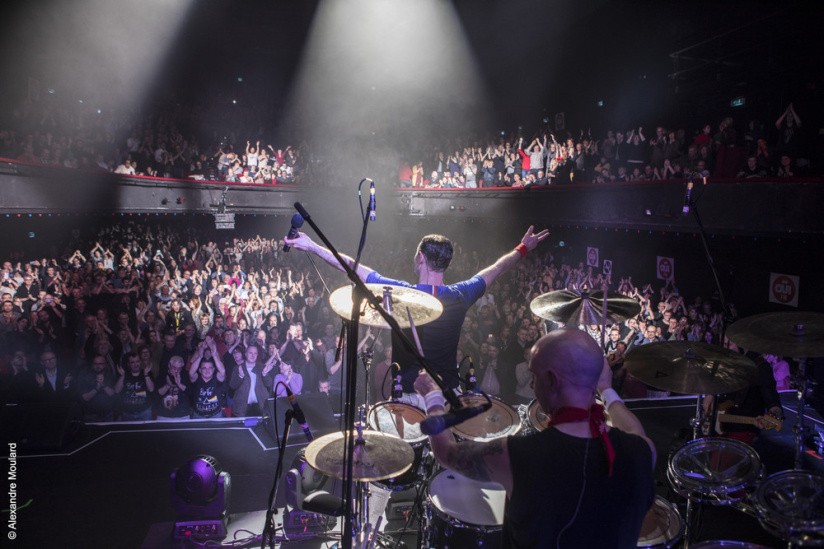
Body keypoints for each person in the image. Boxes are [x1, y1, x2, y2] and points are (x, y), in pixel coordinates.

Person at [413, 328, 656, 548]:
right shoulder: (642, 452)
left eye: (534, 376)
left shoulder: (519, 455)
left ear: (552, 380)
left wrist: (433, 396)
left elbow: (446, 453)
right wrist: (606, 389)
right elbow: (634, 430)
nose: (531, 384)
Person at [284, 226, 549, 407]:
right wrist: (523, 248)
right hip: (448, 395)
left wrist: (313, 246)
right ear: (449, 264)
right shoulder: (461, 295)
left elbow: (351, 266)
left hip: (410, 396)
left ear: (419, 257)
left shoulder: (401, 292)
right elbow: (497, 268)